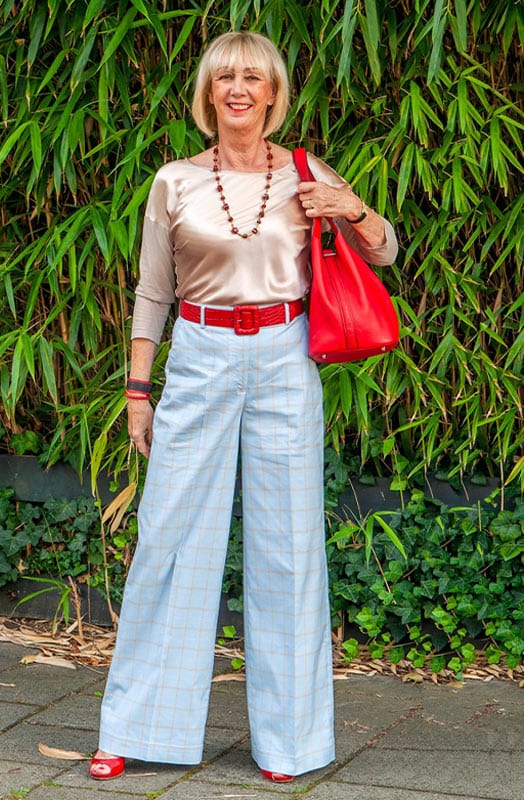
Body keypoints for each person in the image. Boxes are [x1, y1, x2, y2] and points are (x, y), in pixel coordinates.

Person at [90, 31, 398, 783]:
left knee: (288, 549)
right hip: (199, 356)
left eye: (252, 78)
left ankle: (291, 746)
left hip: (286, 358)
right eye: (224, 76)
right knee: (168, 539)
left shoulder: (304, 171)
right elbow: (152, 292)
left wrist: (352, 206)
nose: (238, 88)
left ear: (272, 94)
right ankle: (135, 729)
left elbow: (384, 252)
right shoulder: (174, 182)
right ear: (207, 94)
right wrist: (138, 390)